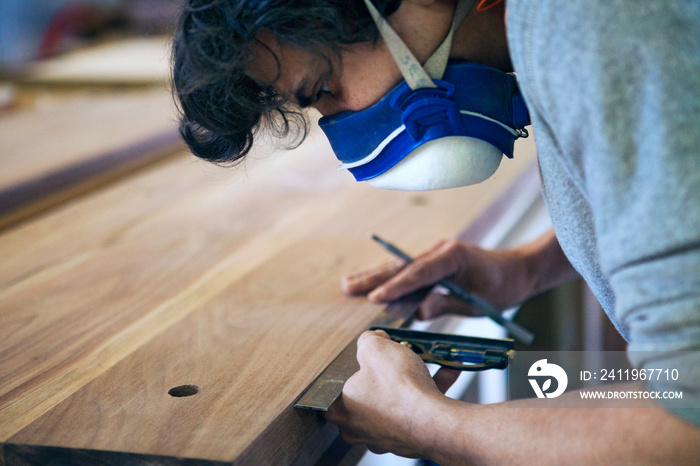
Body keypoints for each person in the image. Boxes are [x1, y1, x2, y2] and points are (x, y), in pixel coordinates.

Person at [172, 0, 700, 463]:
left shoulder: (586, 23)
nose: (339, 123)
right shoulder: (548, 24)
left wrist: (430, 426)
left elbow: (685, 434)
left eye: (323, 88)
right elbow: (665, 190)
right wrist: (527, 267)